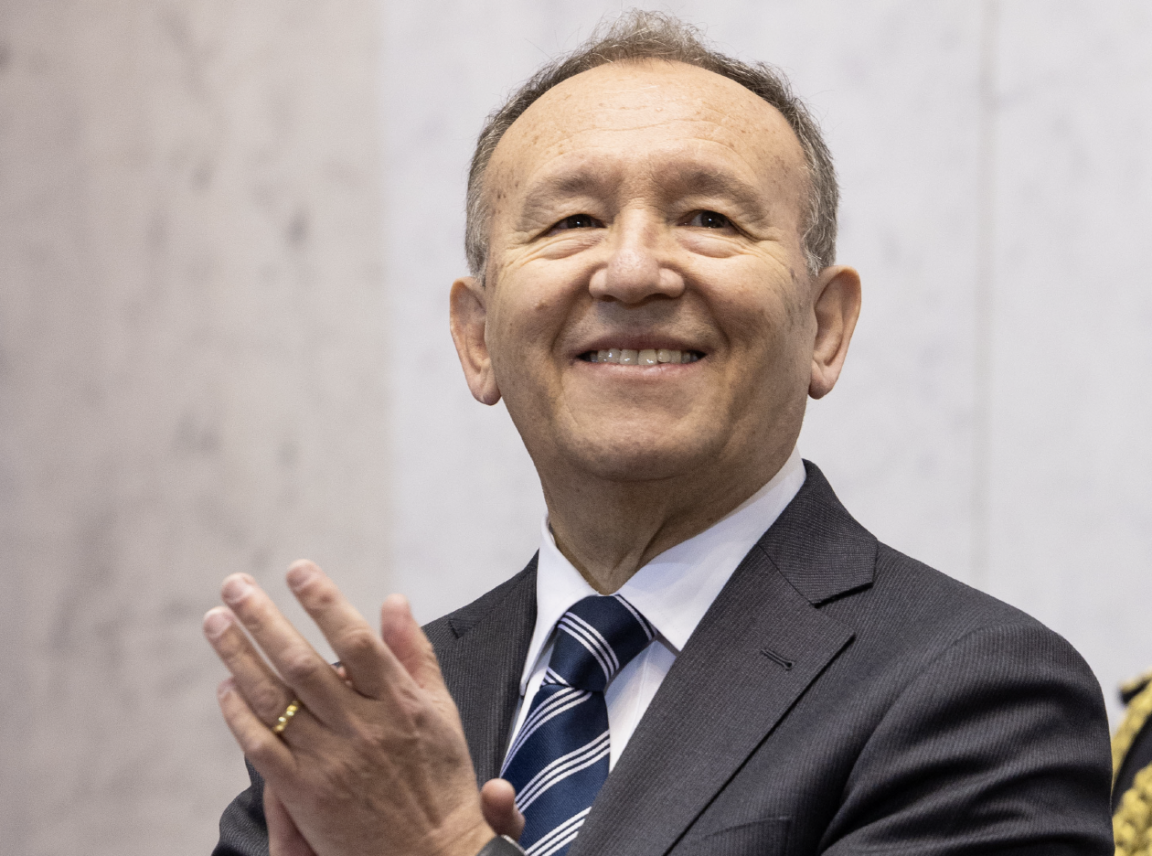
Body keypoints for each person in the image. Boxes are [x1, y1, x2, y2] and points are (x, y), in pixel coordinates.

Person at [204, 11, 1113, 856]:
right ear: (478, 340)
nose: (633, 270)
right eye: (573, 221)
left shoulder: (981, 696)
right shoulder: (372, 729)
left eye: (708, 219)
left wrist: (442, 845)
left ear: (825, 328)